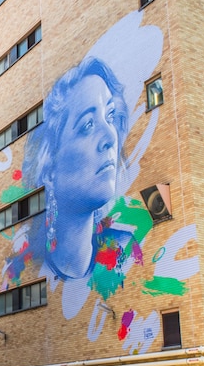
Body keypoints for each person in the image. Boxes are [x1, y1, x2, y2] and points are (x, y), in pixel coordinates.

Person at [21, 56, 131, 282]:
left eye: (110, 116)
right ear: (50, 168)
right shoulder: (31, 263)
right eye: (88, 125)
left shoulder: (127, 248)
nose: (110, 137)